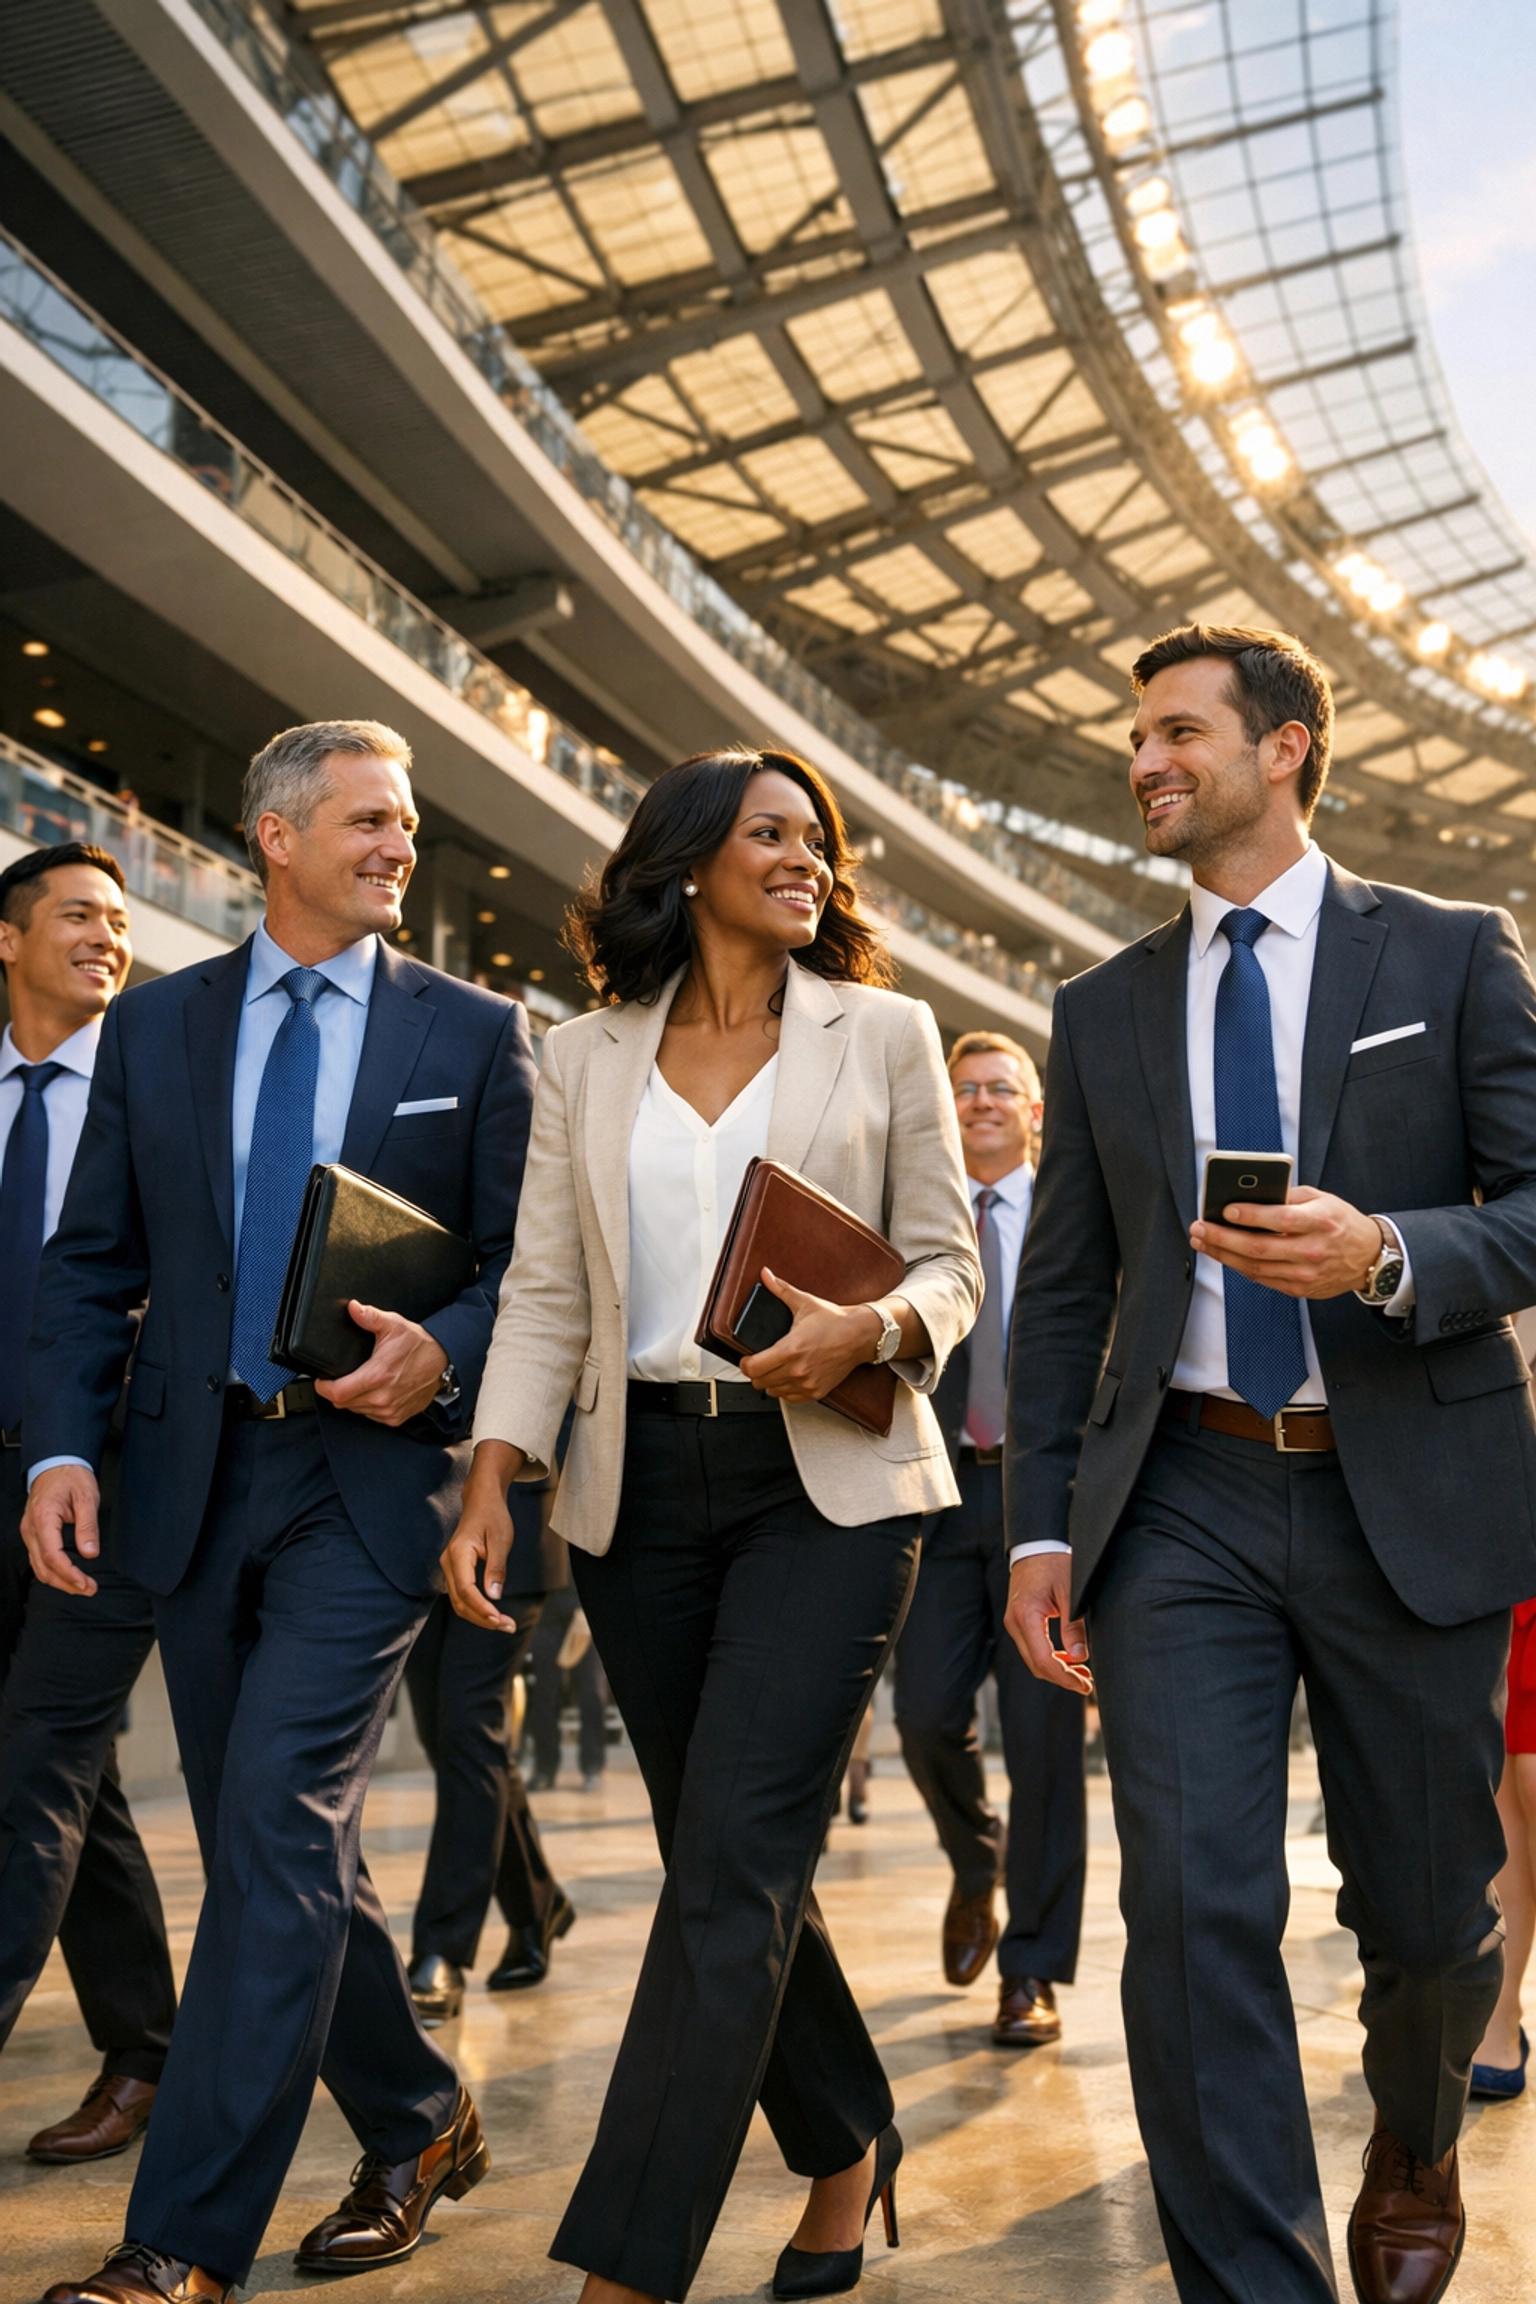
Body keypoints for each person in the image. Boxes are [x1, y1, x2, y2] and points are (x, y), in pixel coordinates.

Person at [1003, 622, 1536, 2304]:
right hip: (1184, 1499)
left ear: (1285, 743)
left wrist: (1385, 1250)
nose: (1145, 760)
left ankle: (1417, 2133)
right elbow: (1064, 1291)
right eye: (1136, 737)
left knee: (1431, 1917)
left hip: (1413, 1497)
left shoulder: (1453, 954)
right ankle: (1257, 2281)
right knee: (1192, 1900)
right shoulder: (1101, 1007)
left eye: (1176, 730)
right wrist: (1036, 1532)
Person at [443, 746, 981, 2304]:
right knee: (718, 1858)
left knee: (733, 1864)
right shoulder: (582, 1054)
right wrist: (492, 1471)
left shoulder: (883, 1033)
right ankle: (846, 2142)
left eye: (818, 842)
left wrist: (869, 1336)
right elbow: (549, 1290)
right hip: (639, 1492)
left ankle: (627, 2270)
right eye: (770, 836)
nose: (806, 860)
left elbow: (950, 1265)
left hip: (829, 1486)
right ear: (686, 862)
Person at [21, 720, 537, 2304]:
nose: (399, 844)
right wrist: (60, 1450)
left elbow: (532, 1269)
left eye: (407, 822)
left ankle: (181, 2244)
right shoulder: (160, 1026)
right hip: (191, 1478)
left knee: (267, 1828)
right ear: (277, 837)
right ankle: (418, 2112)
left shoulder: (474, 1032)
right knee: (296, 1856)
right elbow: (90, 1260)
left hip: (368, 1486)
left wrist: (438, 1357)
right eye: (370, 820)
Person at [0, 842, 177, 2163]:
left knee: (31, 1767)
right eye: (77, 915)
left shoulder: (164, 1085)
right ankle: (147, 2053)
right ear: (9, 939)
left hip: (109, 1474)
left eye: (120, 920)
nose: (106, 936)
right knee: (69, 1768)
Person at [893, 1030, 1086, 2045]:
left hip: (1046, 1500)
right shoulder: (917, 1209)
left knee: (1047, 1742)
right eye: (964, 1090)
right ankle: (979, 1861)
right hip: (935, 1493)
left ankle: (1034, 1970)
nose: (981, 1103)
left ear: (1036, 1109)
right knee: (924, 1716)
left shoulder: (1073, 1206)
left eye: (1001, 1088)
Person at [403, 1467, 575, 2022]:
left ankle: (441, 1949)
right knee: (451, 1739)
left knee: (468, 1728)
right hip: (417, 1529)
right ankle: (537, 1905)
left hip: (514, 1528)